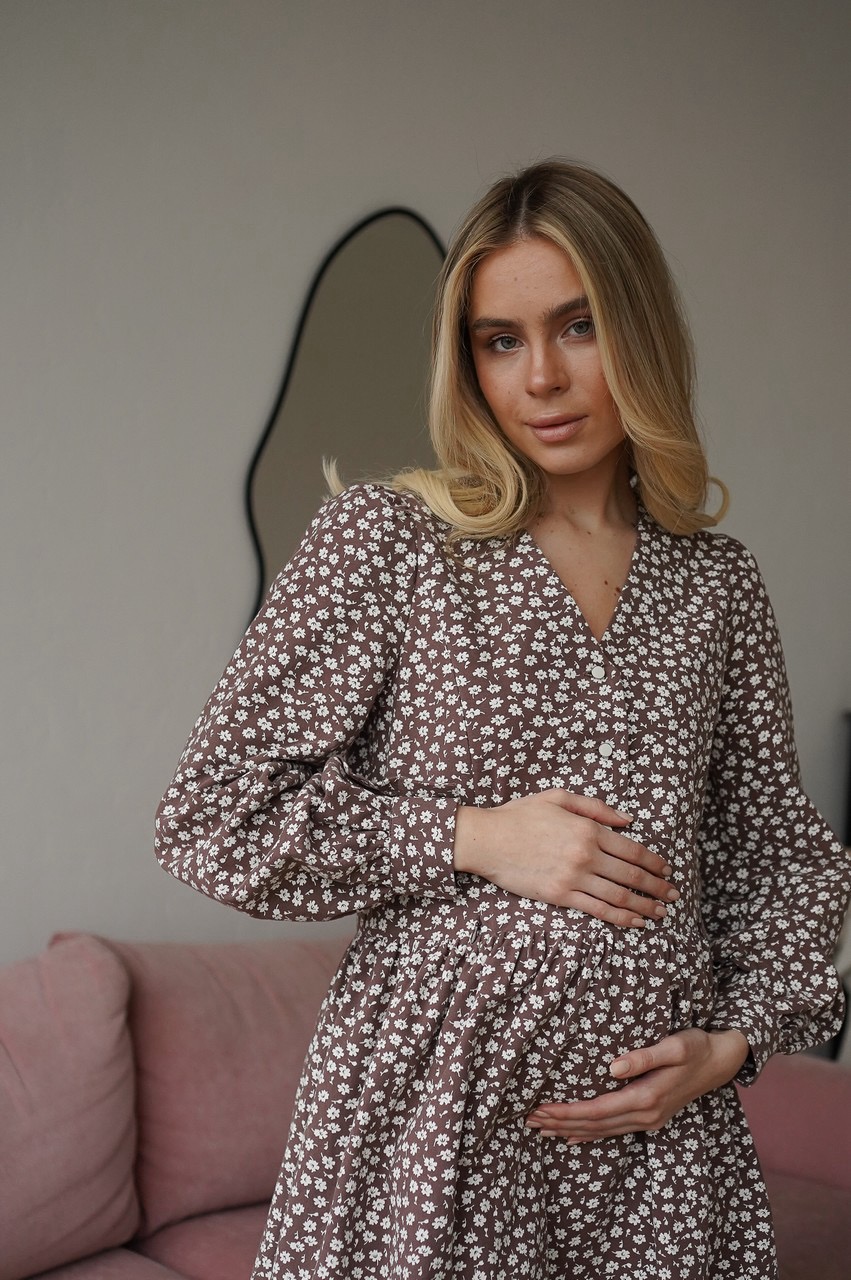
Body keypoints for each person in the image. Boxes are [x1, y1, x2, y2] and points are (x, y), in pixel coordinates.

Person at [155, 160, 851, 1280]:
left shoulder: (714, 585)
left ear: (640, 330)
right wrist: (473, 836)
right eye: (499, 340)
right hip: (431, 1129)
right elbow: (212, 816)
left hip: (659, 1158)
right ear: (465, 361)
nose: (541, 377)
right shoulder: (388, 542)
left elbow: (778, 853)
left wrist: (732, 1045)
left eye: (578, 326)